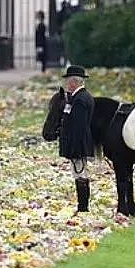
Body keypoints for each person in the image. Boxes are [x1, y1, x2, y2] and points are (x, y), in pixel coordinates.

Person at [58, 65, 95, 213]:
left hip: (78, 144)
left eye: (68, 81)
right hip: (80, 143)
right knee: (80, 173)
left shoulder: (80, 100)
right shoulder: (81, 97)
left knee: (80, 174)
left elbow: (78, 127)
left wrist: (74, 149)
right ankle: (83, 205)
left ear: (74, 82)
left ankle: (83, 206)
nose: (67, 84)